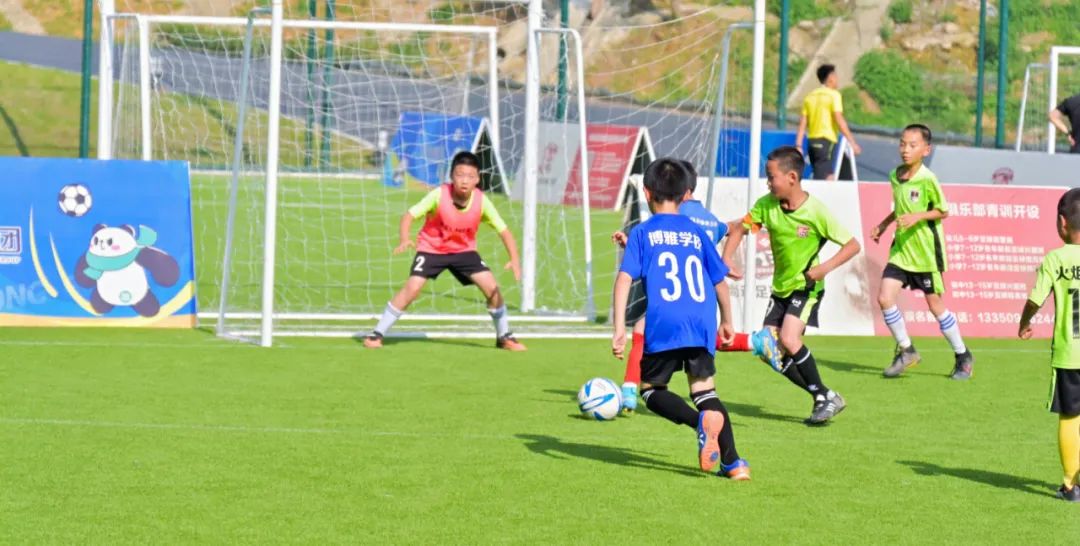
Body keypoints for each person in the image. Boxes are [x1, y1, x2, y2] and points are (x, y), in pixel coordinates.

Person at [612, 157, 749, 479]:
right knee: (705, 393)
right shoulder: (696, 231)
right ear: (685, 194)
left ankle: (698, 423)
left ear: (647, 193)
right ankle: (735, 464)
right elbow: (719, 280)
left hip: (665, 323)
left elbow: (624, 279)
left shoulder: (643, 232)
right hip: (701, 322)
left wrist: (619, 328)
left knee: (651, 390)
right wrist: (727, 320)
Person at [613, 160, 770, 414]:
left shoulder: (677, 217)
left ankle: (631, 388)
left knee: (644, 335)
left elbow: (663, 247)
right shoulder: (707, 221)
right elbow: (731, 229)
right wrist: (727, 257)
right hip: (702, 303)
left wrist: (633, 243)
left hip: (672, 300)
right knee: (703, 385)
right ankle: (753, 341)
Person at [722, 146, 861, 425]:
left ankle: (822, 397)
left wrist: (823, 268)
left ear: (792, 177)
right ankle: (823, 394)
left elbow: (852, 245)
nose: (767, 182)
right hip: (781, 288)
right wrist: (726, 259)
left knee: (788, 339)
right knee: (768, 350)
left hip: (806, 287)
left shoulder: (815, 211)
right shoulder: (766, 205)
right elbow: (740, 229)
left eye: (771, 176)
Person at [364, 151, 526, 351]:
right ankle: (377, 333)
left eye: (470, 176)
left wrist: (514, 259)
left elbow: (504, 231)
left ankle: (504, 336)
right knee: (412, 288)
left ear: (477, 179)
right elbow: (408, 216)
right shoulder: (439, 194)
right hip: (431, 249)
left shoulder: (482, 201)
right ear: (451, 176)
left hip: (464, 251)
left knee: (492, 289)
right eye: (460, 175)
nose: (464, 180)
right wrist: (405, 238)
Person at [870, 124, 973, 379]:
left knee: (935, 305)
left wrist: (918, 216)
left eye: (912, 145)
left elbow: (943, 210)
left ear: (926, 150)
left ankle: (962, 355)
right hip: (901, 250)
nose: (905, 149)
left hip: (926, 253)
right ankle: (907, 350)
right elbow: (900, 207)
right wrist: (883, 225)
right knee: (884, 298)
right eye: (902, 143)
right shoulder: (895, 175)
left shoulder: (928, 178)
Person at [1018, 187, 1080, 502]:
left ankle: (1070, 485)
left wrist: (1024, 322)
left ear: (1062, 222)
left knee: (1070, 416)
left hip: (1071, 353)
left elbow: (1035, 299)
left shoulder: (1056, 258)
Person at [794, 64, 862, 180]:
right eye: (836, 76)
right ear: (830, 78)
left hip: (812, 142)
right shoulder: (834, 95)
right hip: (826, 141)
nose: (837, 79)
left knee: (824, 174)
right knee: (825, 178)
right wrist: (852, 142)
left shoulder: (810, 96)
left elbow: (803, 123)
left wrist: (798, 145)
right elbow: (839, 119)